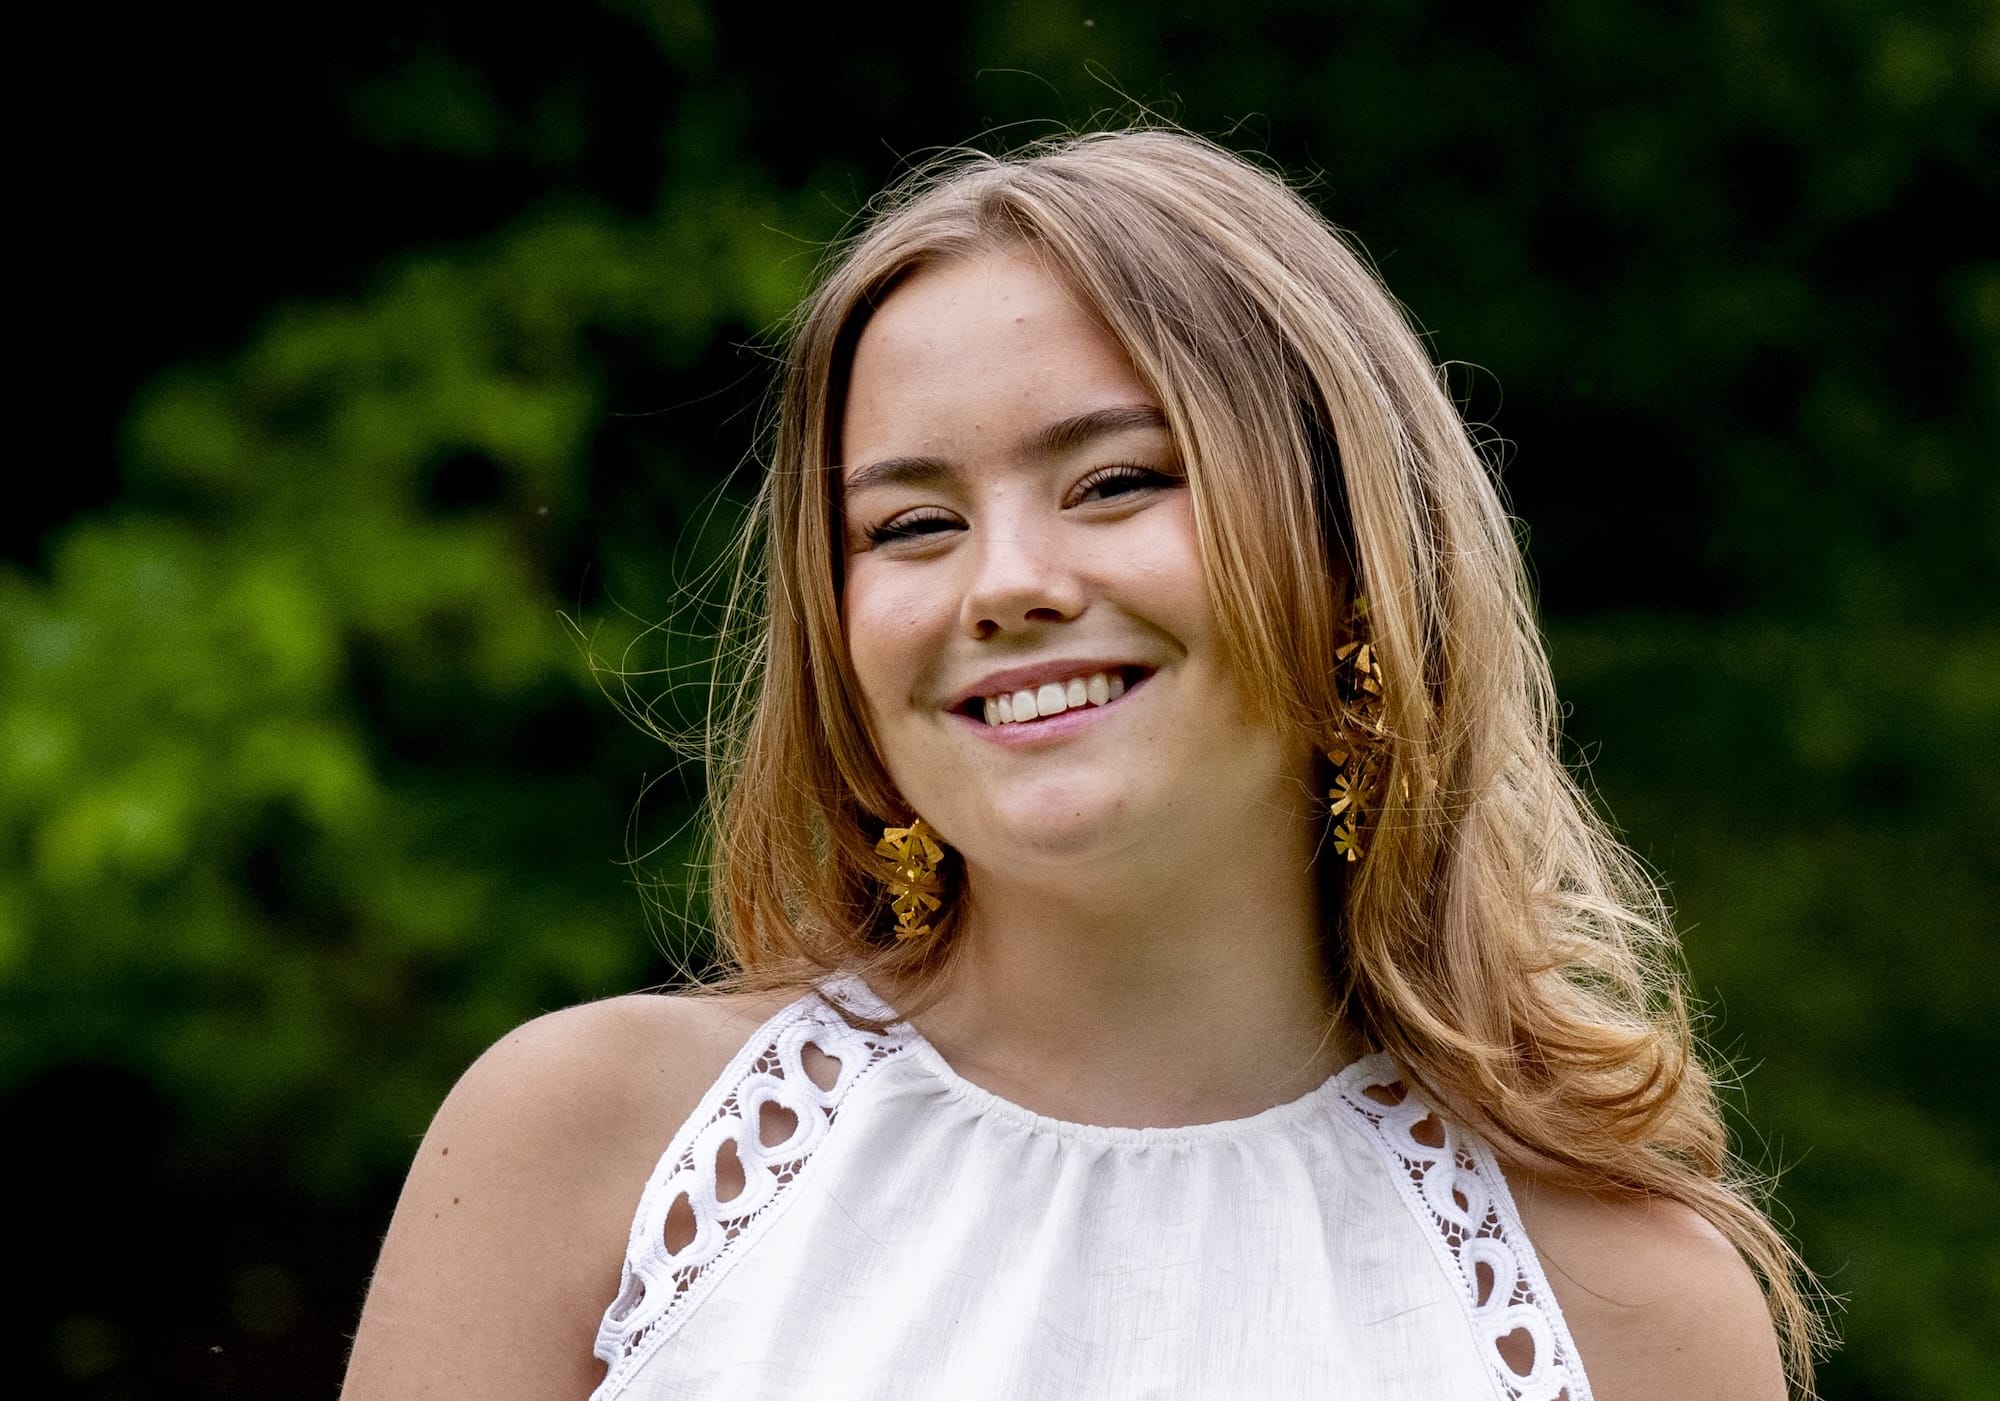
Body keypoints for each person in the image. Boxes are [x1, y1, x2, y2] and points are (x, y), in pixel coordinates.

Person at [341, 130, 1820, 1400]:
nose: (1007, 582)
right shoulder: (591, 1150)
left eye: (1115, 481)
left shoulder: (1635, 1315)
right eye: (912, 524)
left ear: (1352, 551)